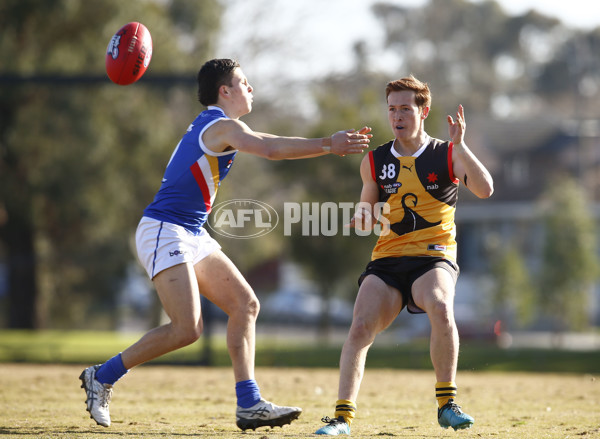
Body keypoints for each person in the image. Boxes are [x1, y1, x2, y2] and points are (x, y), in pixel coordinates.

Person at [79, 58, 372, 431]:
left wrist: (327, 144)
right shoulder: (219, 125)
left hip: (190, 232)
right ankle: (102, 376)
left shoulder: (223, 126)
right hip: (163, 229)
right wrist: (328, 144)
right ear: (225, 90)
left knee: (245, 305)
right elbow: (269, 150)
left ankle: (249, 404)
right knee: (187, 328)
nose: (250, 88)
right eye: (244, 82)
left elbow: (266, 141)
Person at [314, 75, 493, 435]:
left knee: (441, 306)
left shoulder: (446, 153)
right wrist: (363, 216)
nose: (397, 116)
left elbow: (486, 189)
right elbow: (368, 212)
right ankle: (341, 419)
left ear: (423, 111)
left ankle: (447, 403)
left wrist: (462, 147)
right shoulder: (375, 160)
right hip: (388, 260)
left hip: (434, 257)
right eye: (392, 109)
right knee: (360, 327)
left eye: (405, 109)